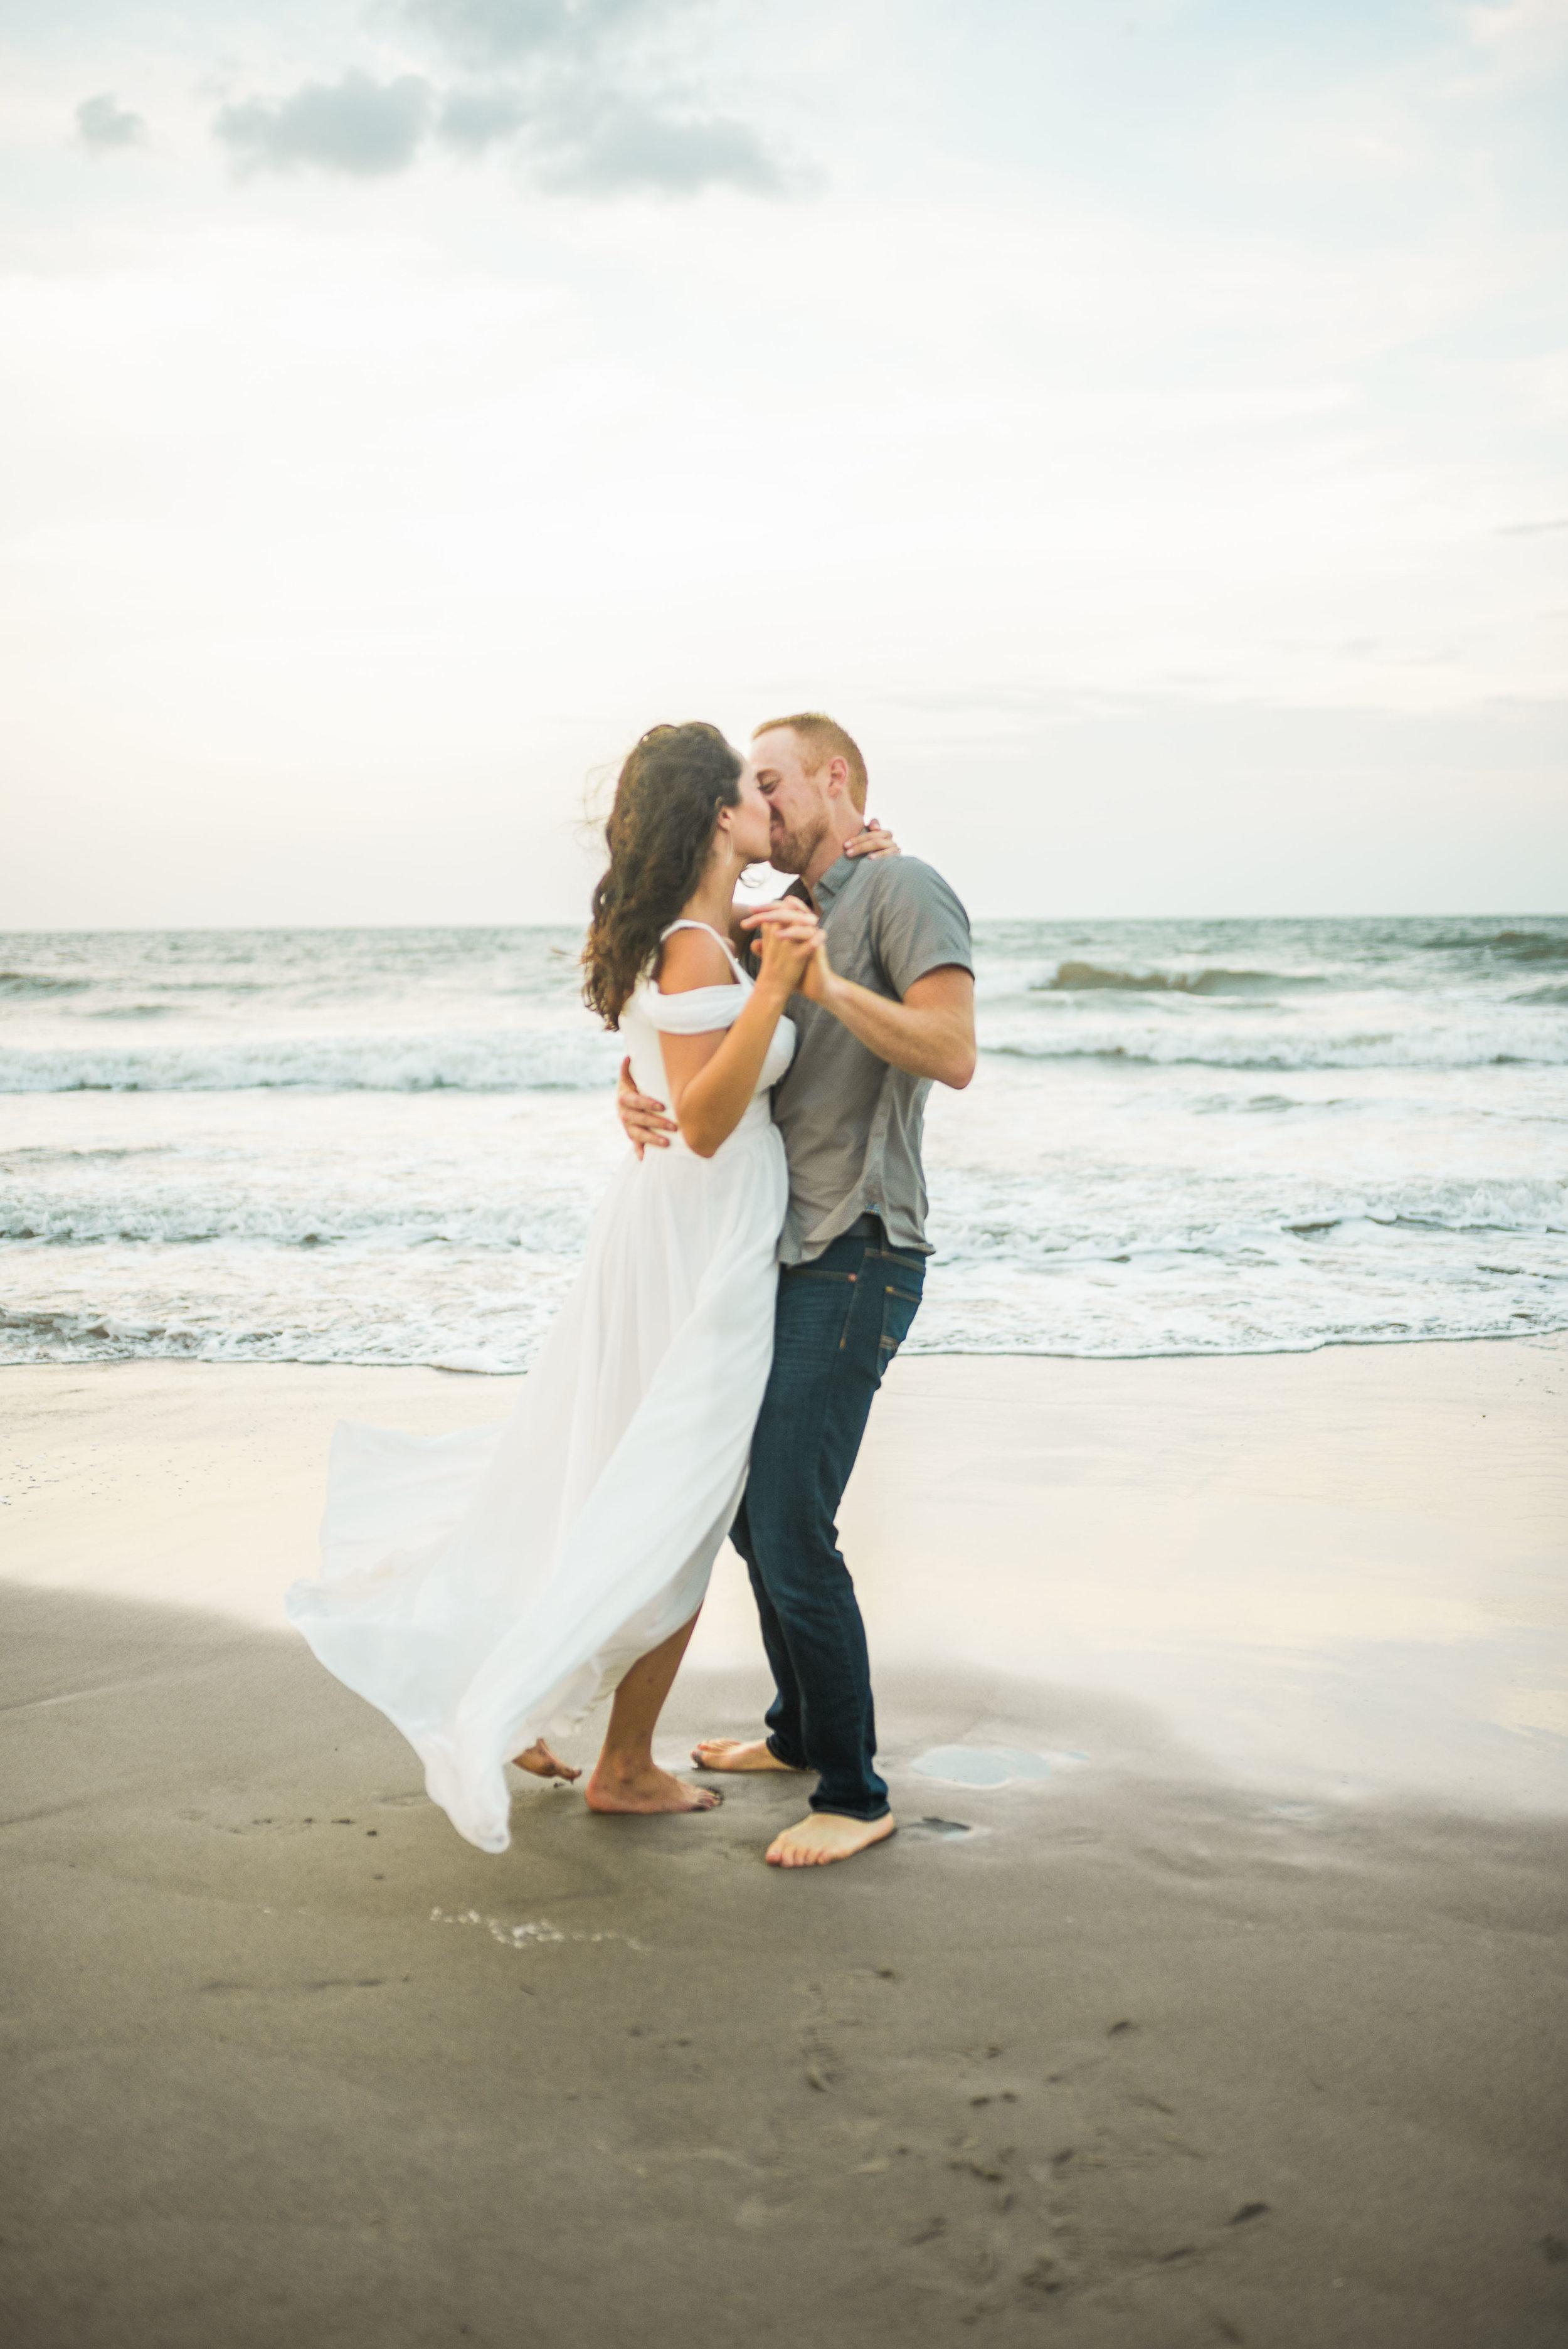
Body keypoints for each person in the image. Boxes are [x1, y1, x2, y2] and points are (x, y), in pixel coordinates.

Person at [287, 721, 842, 1853]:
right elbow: (704, 1112)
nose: (764, 808)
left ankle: (534, 1702)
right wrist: (778, 979)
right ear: (713, 817)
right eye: (749, 792)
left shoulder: (698, 933)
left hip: (678, 1231)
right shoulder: (700, 946)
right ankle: (625, 1764)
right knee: (674, 1498)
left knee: (607, 1475)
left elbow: (667, 1072)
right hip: (704, 1247)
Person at [616, 713, 975, 1867]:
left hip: (862, 1244)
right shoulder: (776, 916)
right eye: (747, 789)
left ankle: (857, 1789)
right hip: (778, 1249)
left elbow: (952, 1051)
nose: (760, 805)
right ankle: (795, 1731)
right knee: (753, 1524)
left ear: (836, 780)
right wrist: (631, 1092)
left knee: (787, 1523)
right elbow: (697, 1033)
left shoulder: (904, 884)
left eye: (775, 782)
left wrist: (819, 981)